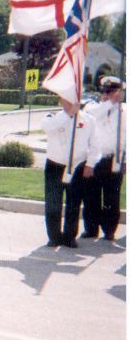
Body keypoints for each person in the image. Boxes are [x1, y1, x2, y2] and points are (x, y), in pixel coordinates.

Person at [41, 97, 96, 248]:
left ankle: (70, 236)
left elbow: (95, 144)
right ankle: (54, 237)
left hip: (77, 166)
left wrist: (90, 164)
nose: (69, 103)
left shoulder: (89, 120)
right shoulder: (52, 117)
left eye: (73, 100)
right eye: (66, 100)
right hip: (55, 165)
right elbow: (47, 127)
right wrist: (68, 114)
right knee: (53, 203)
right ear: (60, 101)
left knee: (74, 203)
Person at [81, 76, 125, 241]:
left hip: (114, 158)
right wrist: (109, 103)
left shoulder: (124, 111)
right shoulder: (93, 108)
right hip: (94, 159)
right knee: (91, 196)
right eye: (105, 92)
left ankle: (109, 230)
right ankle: (91, 229)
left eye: (112, 92)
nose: (107, 95)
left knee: (112, 196)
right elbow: (91, 114)